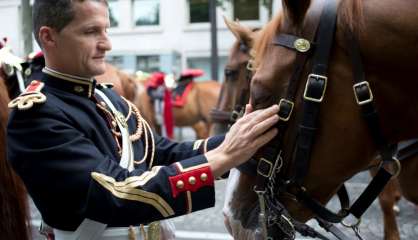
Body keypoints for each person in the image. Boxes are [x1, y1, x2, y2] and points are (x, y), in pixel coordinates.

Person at [7, 0, 279, 239]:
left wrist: (246, 138)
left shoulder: (107, 99)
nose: (107, 43)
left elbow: (163, 153)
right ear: (49, 37)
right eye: (91, 32)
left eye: (106, 30)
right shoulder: (35, 114)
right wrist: (224, 157)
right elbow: (115, 192)